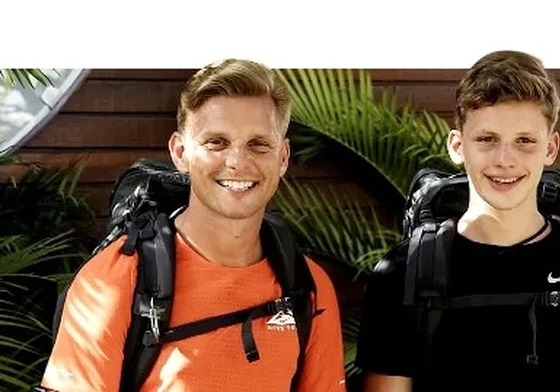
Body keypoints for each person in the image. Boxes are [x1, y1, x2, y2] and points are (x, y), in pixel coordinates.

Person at [39, 59, 347, 392]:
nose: (238, 162)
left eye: (258, 144)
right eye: (217, 142)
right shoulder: (115, 279)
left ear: (283, 157)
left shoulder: (307, 285)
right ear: (180, 152)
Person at [355, 50, 560, 391]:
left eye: (524, 141)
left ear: (550, 148)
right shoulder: (402, 273)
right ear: (457, 146)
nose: (505, 160)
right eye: (487, 139)